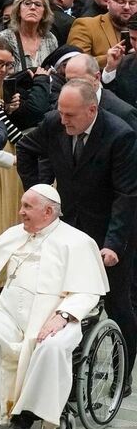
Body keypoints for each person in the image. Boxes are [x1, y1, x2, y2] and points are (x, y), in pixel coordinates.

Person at [0, 185, 111, 429]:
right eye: (22, 206)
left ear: (47, 211)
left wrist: (63, 316)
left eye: (27, 207)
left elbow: (88, 292)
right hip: (10, 313)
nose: (20, 212)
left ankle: (26, 419)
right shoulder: (16, 234)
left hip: (54, 317)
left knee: (50, 347)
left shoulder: (78, 241)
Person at [17, 80, 137, 394]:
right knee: (65, 298)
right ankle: (64, 366)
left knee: (117, 302)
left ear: (92, 110)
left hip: (109, 229)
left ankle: (121, 374)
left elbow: (126, 195)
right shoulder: (55, 123)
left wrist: (112, 245)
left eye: (70, 115)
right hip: (67, 225)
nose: (64, 120)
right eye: (61, 113)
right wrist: (41, 195)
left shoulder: (120, 135)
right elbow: (26, 150)